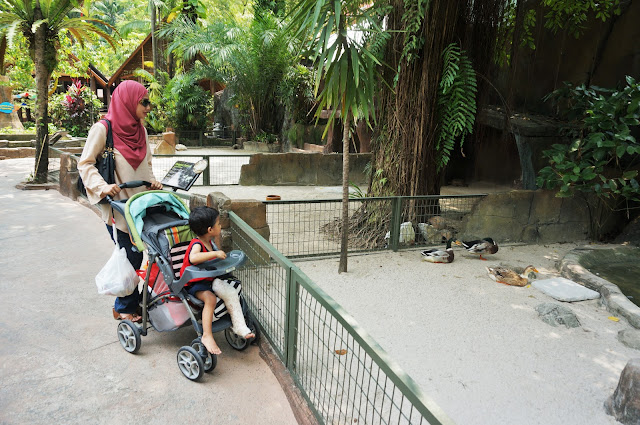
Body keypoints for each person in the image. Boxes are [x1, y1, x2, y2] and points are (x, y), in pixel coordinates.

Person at [78, 80, 162, 323]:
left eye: (149, 102)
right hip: (119, 208)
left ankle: (135, 302)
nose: (148, 107)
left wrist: (153, 181)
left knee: (147, 254)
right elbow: (85, 164)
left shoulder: (142, 131)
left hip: (143, 205)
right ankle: (123, 306)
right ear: (127, 101)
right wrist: (102, 187)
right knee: (131, 255)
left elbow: (146, 165)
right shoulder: (103, 129)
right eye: (144, 102)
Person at [180, 206, 254, 355]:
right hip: (195, 282)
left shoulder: (210, 241)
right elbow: (193, 258)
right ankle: (207, 335)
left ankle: (238, 323)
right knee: (211, 298)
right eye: (218, 223)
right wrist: (214, 253)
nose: (220, 226)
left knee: (233, 287)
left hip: (209, 278)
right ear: (209, 229)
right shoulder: (197, 244)